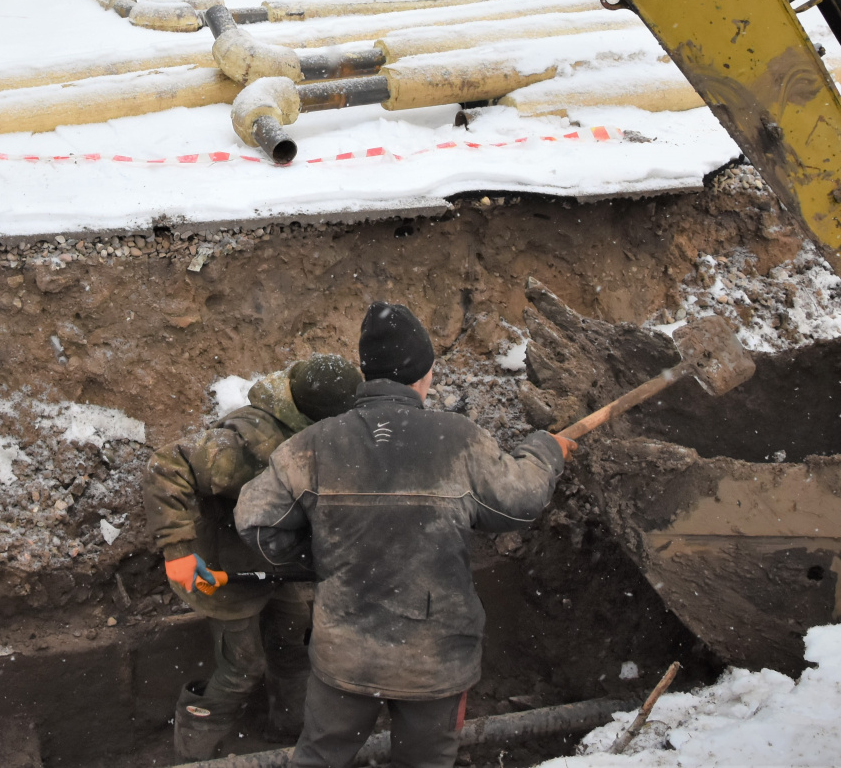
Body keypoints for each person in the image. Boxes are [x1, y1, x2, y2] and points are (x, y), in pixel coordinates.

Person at [235, 303, 573, 768]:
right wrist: (544, 450)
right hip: (432, 662)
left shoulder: (314, 444)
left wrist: (320, 559)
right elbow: (520, 502)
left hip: (345, 657)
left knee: (319, 757)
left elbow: (256, 521)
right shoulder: (458, 440)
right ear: (425, 374)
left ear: (366, 374)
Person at [143, 353, 365, 760]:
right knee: (242, 667)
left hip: (279, 564)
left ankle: (288, 737)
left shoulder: (323, 439)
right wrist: (177, 550)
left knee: (294, 649)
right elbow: (168, 465)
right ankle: (195, 750)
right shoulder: (249, 445)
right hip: (227, 568)